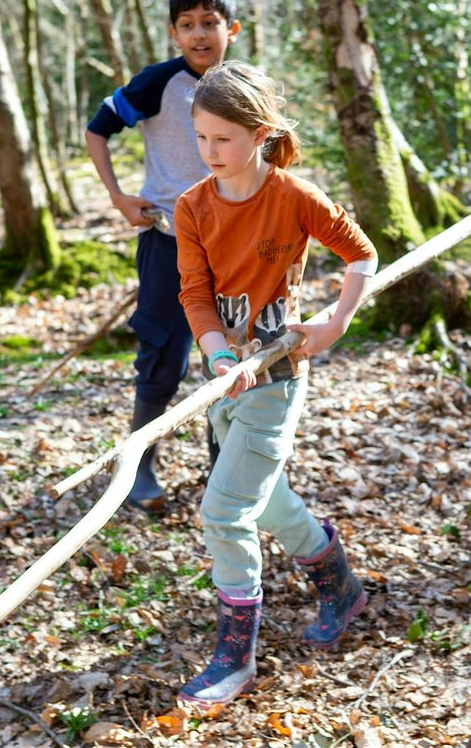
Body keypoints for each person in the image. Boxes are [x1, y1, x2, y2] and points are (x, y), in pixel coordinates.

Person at [173, 61, 377, 706]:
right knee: (263, 499)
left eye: (223, 140)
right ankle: (340, 585)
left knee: (224, 510)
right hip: (224, 382)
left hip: (279, 374)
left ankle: (235, 657)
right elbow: (195, 295)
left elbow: (362, 253)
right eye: (202, 138)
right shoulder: (192, 207)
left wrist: (336, 319)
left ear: (258, 134)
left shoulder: (292, 196)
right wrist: (214, 357)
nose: (211, 153)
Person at [85, 0, 240, 512]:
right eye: (188, 24)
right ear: (175, 33)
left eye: (210, 23)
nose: (200, 34)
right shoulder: (158, 83)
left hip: (237, 249)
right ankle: (140, 465)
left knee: (231, 357)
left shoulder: (246, 86)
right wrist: (118, 197)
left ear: (231, 29)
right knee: (163, 356)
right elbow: (97, 129)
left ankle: (224, 468)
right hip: (169, 241)